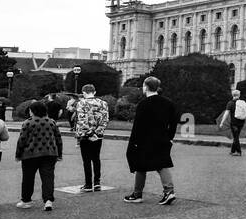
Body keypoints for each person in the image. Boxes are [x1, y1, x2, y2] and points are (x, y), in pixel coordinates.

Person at [123, 76, 178, 205]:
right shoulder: (168, 103)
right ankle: (169, 191)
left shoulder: (143, 104)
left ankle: (137, 194)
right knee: (162, 165)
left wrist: (133, 142)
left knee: (140, 165)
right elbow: (173, 122)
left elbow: (138, 125)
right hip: (162, 137)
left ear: (146, 87)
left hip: (145, 139)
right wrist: (170, 137)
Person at [15, 101, 62, 212]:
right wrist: (59, 154)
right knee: (48, 177)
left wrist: (18, 154)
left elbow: (22, 140)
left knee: (28, 178)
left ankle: (26, 200)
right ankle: (48, 200)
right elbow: (58, 139)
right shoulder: (51, 122)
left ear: (33, 111)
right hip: (49, 153)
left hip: (30, 154)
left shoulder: (28, 123)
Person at [70, 84, 110, 192]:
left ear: (83, 92)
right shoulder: (103, 103)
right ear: (94, 92)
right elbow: (105, 120)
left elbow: (82, 121)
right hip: (98, 136)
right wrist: (97, 133)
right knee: (96, 158)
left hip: (85, 135)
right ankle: (97, 182)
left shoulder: (81, 103)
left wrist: (89, 133)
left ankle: (88, 184)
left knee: (86, 160)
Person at [223, 89, 246, 157]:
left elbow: (226, 113)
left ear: (232, 95)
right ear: (239, 95)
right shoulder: (242, 103)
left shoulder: (230, 103)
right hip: (241, 122)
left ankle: (239, 151)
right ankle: (232, 151)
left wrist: (222, 122)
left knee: (236, 137)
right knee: (236, 136)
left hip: (234, 123)